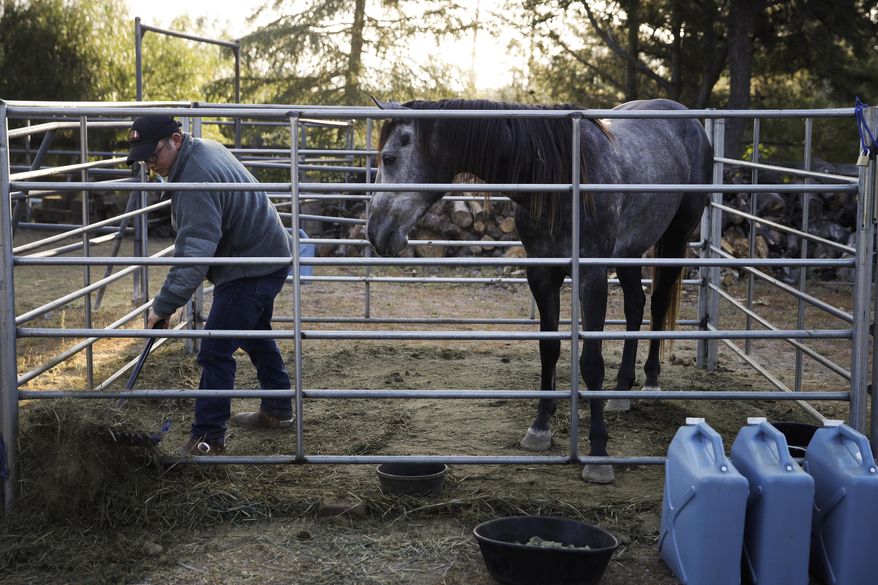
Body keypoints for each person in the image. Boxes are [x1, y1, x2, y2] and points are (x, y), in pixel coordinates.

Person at [126, 115, 295, 456]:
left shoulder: (195, 178)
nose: (150, 163)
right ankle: (278, 410)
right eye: (144, 158)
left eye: (153, 154)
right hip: (263, 254)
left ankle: (207, 439)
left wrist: (163, 306)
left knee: (215, 350)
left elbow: (193, 254)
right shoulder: (201, 150)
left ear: (175, 139)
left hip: (251, 265)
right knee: (254, 333)